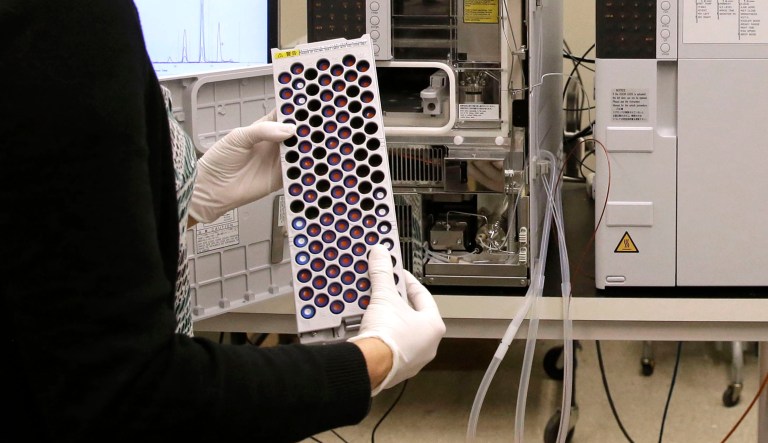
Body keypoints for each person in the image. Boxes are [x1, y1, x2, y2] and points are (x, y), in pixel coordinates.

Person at [1, 1, 446, 442]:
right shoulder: (64, 19)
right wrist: (371, 360)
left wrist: (182, 201)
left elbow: (42, 236)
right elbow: (134, 398)